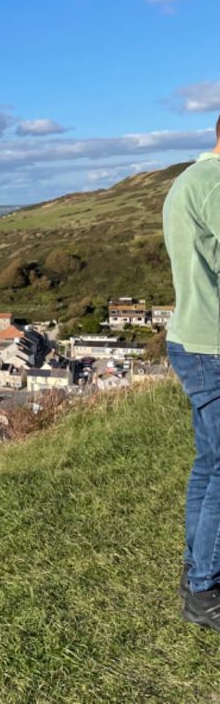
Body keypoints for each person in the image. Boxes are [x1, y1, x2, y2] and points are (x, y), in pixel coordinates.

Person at [165, 117, 220, 631]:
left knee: (211, 462)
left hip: (191, 337)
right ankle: (206, 590)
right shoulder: (216, 184)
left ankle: (197, 572)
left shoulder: (189, 179)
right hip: (214, 343)